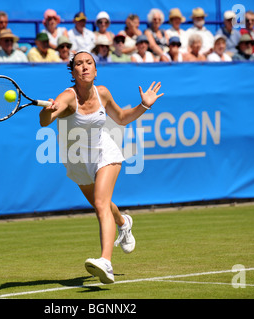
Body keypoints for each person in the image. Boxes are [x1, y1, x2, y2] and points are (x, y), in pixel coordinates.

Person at [38, 50, 164, 284]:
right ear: (73, 72)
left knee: (100, 204)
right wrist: (47, 111)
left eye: (89, 63)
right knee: (105, 204)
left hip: (104, 151)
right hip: (76, 160)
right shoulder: (67, 96)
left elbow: (122, 118)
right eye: (78, 64)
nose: (84, 67)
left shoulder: (102, 92)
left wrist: (143, 106)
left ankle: (106, 261)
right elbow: (45, 121)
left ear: (95, 70)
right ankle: (124, 223)